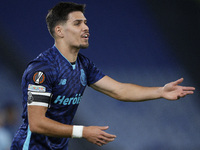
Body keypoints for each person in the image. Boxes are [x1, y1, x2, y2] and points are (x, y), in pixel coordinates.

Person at [10, 2, 195, 150]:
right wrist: (83, 131)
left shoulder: (84, 65)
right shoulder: (42, 69)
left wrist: (160, 91)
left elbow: (119, 90)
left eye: (85, 22)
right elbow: (36, 123)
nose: (86, 28)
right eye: (77, 23)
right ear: (59, 31)